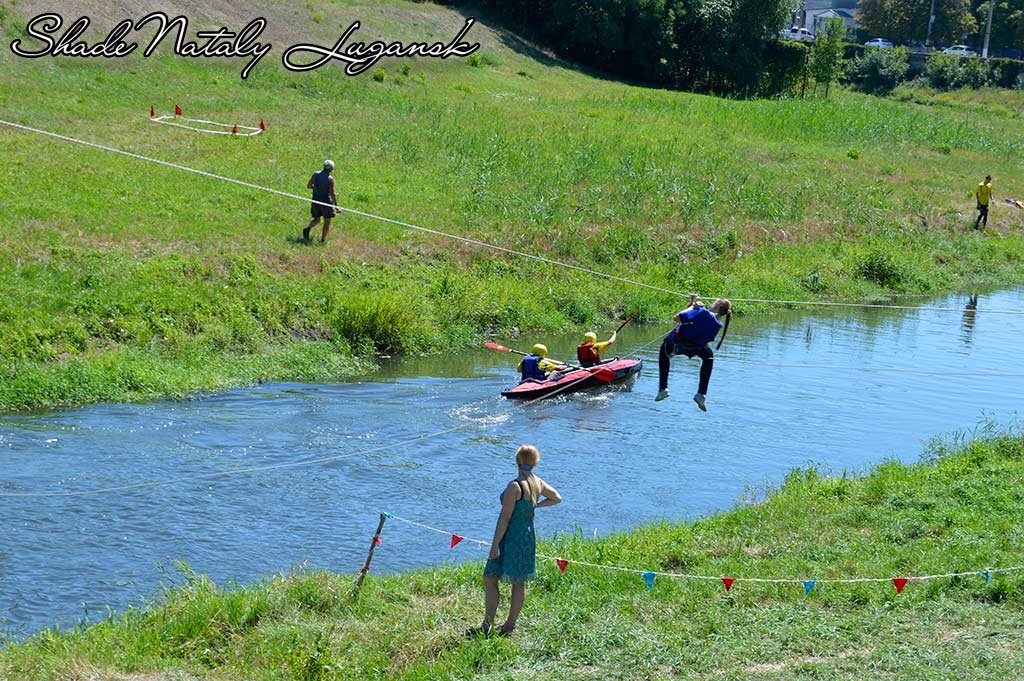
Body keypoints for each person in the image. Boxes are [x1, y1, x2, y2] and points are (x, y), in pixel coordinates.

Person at [469, 444, 561, 638]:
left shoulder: (515, 486)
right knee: (518, 582)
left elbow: (505, 518)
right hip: (527, 536)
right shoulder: (537, 483)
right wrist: (535, 506)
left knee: (490, 577)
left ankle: (488, 623)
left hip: (510, 537)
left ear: (517, 461)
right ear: (535, 463)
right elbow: (556, 498)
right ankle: (510, 624)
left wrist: (494, 545)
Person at [656, 294, 732, 411]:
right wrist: (692, 304)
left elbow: (677, 318)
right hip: (695, 349)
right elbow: (693, 323)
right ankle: (701, 394)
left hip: (677, 344)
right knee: (708, 357)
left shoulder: (702, 312)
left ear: (716, 305)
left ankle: (663, 388)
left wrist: (693, 307)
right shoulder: (718, 325)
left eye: (714, 302)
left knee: (664, 351)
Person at [303, 160, 338, 243]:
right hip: (326, 203)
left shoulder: (315, 174)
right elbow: (332, 193)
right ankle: (322, 240)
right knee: (327, 222)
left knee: (317, 219)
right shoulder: (330, 179)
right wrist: (336, 206)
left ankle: (307, 229)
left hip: (315, 200)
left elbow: (309, 186)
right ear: (331, 169)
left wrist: (316, 188)